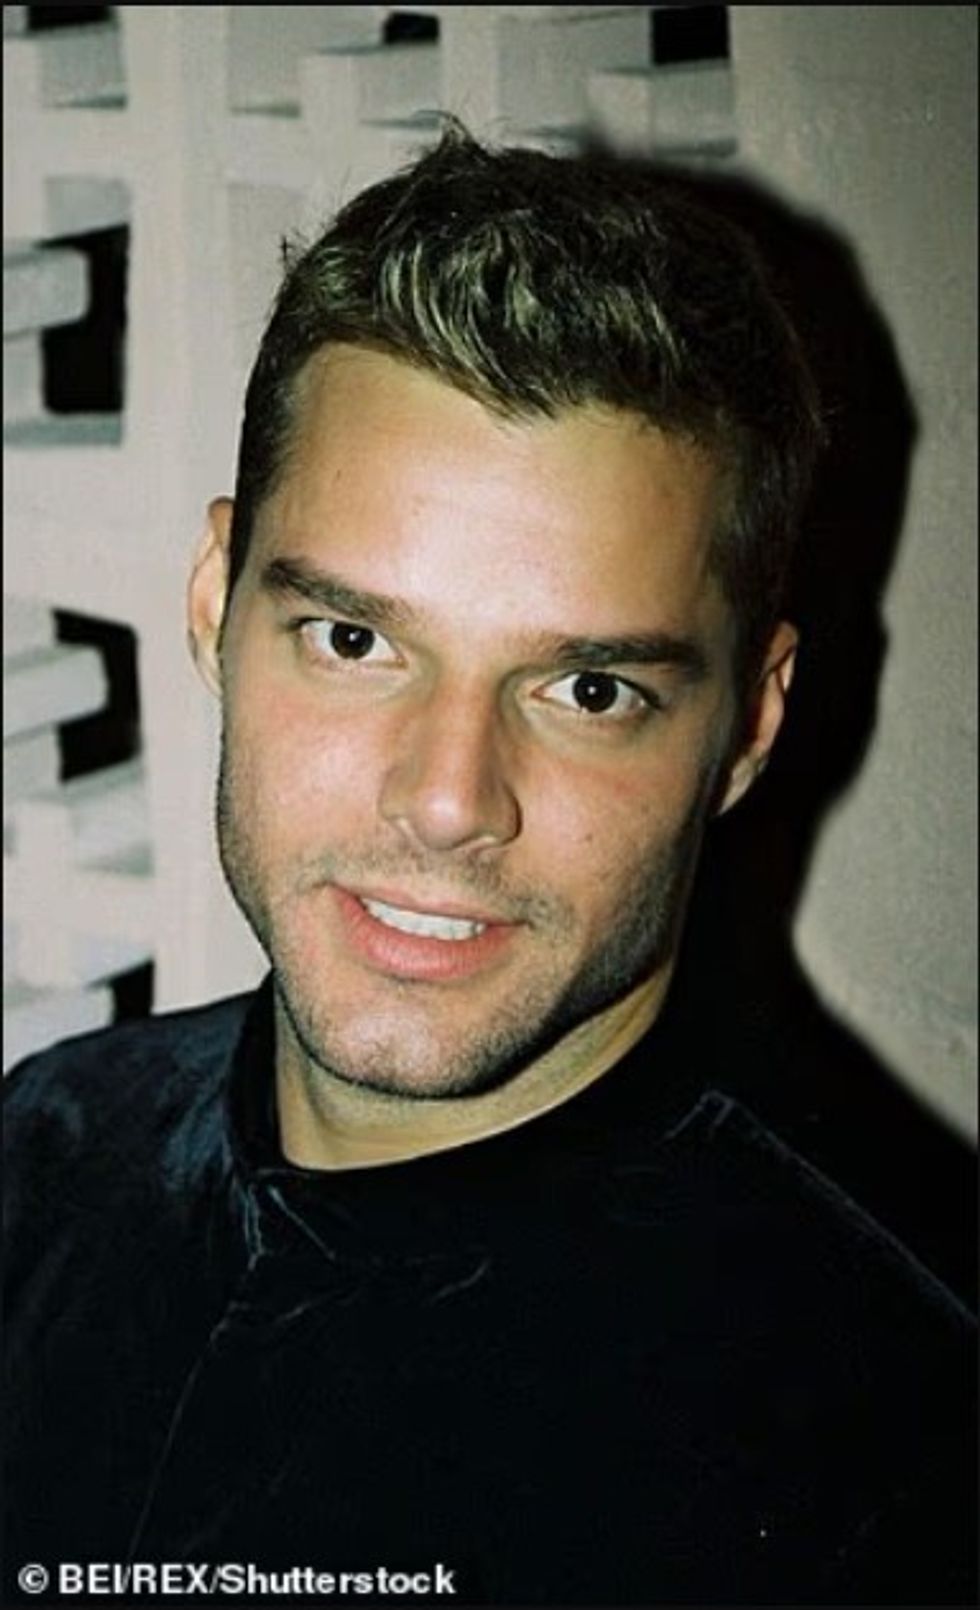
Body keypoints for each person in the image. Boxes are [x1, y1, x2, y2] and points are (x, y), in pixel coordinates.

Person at [4, 125, 975, 1608]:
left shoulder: (898, 1447)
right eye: (353, 639)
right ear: (213, 604)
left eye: (589, 689)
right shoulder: (44, 1150)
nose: (450, 800)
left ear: (749, 725)